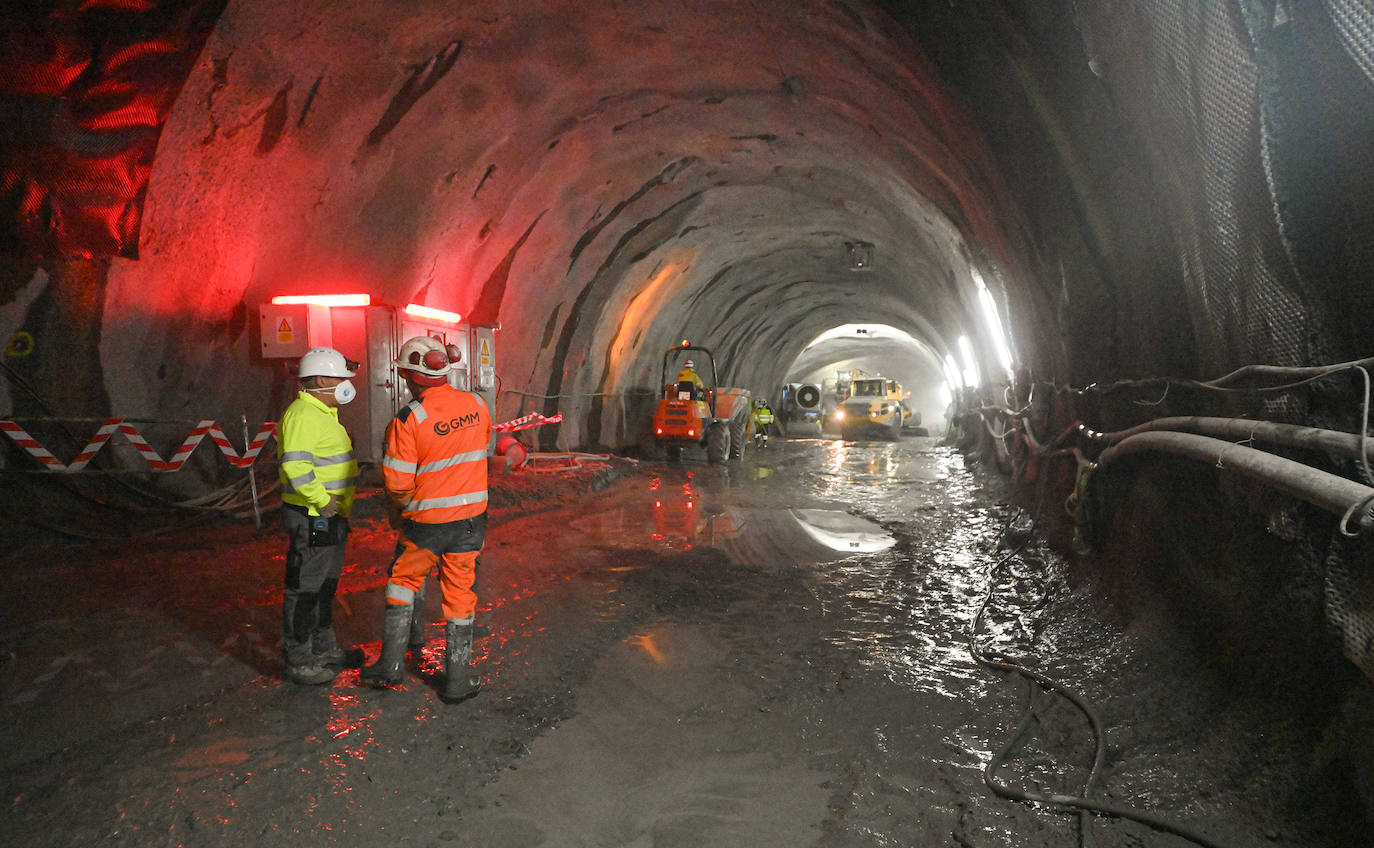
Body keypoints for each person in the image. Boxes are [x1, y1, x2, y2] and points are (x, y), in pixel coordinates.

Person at [361, 336, 492, 703]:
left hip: (426, 525)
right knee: (461, 594)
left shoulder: (408, 419)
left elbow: (398, 484)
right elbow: (480, 450)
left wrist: (402, 511)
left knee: (403, 583)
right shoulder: (477, 405)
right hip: (470, 521)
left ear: (408, 375)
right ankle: (458, 680)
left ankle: (390, 667)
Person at [277, 346, 364, 685]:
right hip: (315, 515)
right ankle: (299, 660)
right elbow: (296, 466)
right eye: (341, 378)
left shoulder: (324, 413)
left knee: (326, 585)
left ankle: (323, 649)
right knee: (306, 588)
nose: (345, 384)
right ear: (323, 379)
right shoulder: (302, 415)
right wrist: (322, 499)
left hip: (331, 515)